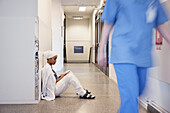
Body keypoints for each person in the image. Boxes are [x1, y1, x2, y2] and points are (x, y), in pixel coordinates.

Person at [98, 0, 170, 113]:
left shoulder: (153, 2)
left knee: (138, 91)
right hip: (123, 53)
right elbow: (108, 23)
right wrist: (101, 49)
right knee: (130, 97)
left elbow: (160, 25)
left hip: (143, 55)